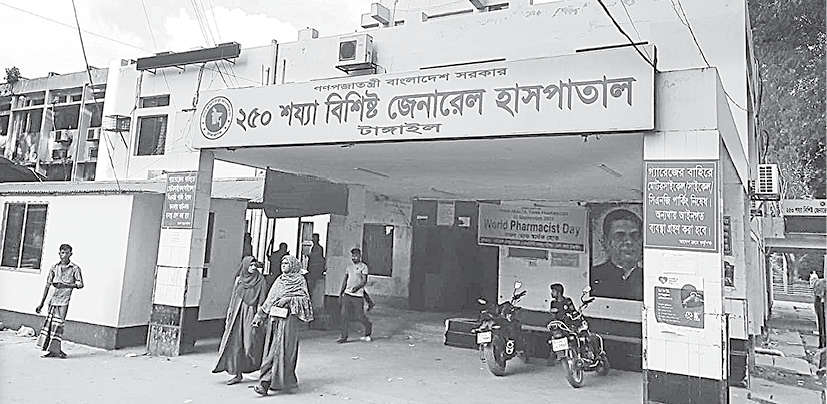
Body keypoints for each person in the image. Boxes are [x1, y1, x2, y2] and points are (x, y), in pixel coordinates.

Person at [251, 255, 313, 396]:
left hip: (289, 321)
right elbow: (270, 299)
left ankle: (280, 381)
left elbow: (305, 300)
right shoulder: (280, 280)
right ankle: (267, 382)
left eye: (286, 263)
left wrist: (288, 299)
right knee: (272, 350)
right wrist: (260, 316)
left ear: (293, 265)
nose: (283, 265)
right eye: (282, 263)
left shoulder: (299, 280)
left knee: (285, 350)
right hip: (275, 320)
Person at [212, 256, 267, 385]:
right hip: (237, 314)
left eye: (255, 265)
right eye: (250, 265)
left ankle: (264, 370)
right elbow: (234, 298)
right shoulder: (239, 280)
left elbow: (262, 299)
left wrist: (259, 316)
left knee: (250, 344)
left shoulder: (260, 280)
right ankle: (237, 373)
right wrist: (229, 313)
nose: (253, 267)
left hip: (251, 314)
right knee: (235, 343)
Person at [35, 244, 84, 358]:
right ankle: (51, 350)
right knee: (50, 324)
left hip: (64, 300)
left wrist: (66, 285)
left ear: (71, 254)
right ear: (59, 253)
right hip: (53, 299)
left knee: (59, 325)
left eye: (67, 253)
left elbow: (80, 284)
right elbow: (47, 285)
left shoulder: (75, 268)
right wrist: (41, 303)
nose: (64, 255)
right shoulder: (54, 267)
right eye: (62, 252)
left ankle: (57, 349)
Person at [590, 209, 643, 301]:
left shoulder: (649, 277)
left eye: (634, 235)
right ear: (605, 242)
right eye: (620, 236)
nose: (629, 242)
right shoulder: (592, 276)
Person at [337, 248, 373, 343]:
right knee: (344, 315)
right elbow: (345, 280)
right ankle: (344, 336)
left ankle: (368, 328)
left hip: (358, 295)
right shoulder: (349, 267)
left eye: (356, 256)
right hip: (347, 294)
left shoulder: (363, 267)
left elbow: (364, 281)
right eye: (353, 256)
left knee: (359, 316)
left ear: (359, 256)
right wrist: (341, 293)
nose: (354, 258)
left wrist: (357, 288)